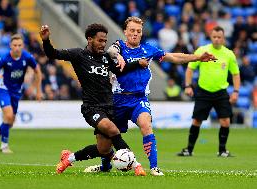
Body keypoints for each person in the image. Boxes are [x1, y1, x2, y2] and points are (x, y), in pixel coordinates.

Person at [84, 16, 216, 176]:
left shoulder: (148, 50)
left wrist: (198, 57)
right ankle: (105, 166)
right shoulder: (118, 46)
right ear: (125, 31)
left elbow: (173, 57)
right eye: (132, 30)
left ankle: (154, 167)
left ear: (141, 34)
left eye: (138, 31)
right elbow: (111, 51)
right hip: (117, 99)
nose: (135, 33)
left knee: (146, 125)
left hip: (139, 99)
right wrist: (117, 55)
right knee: (107, 140)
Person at [40, 23, 149, 175]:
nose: (103, 44)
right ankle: (137, 166)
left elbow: (119, 70)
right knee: (113, 130)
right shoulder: (79, 55)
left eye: (105, 41)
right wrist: (46, 40)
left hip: (108, 107)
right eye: (100, 41)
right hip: (92, 107)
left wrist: (137, 63)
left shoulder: (105, 58)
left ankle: (68, 158)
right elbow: (53, 54)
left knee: (103, 149)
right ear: (90, 39)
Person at [177, 26, 240, 157]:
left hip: (221, 92)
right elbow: (190, 68)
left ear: (223, 38)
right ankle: (189, 149)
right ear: (211, 37)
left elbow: (235, 74)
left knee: (225, 121)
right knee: (196, 121)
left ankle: (222, 151)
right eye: (214, 37)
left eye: (219, 37)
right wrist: (188, 85)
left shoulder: (229, 54)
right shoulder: (203, 50)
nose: (217, 39)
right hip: (203, 92)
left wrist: (236, 91)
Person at [0, 34, 43, 153]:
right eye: (15, 45)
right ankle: (4, 146)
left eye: (19, 45)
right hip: (3, 88)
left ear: (23, 46)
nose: (17, 48)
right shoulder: (4, 59)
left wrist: (38, 90)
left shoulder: (27, 57)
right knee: (8, 116)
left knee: (11, 122)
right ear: (10, 46)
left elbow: (38, 72)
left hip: (16, 91)